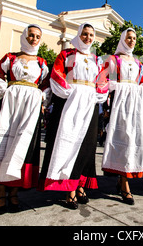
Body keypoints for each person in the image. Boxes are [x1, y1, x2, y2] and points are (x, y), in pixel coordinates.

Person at [0, 24, 49, 214]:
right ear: (24, 36)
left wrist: (41, 97)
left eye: (37, 36)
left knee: (23, 144)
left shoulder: (42, 62)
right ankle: (0, 192)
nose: (34, 39)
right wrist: (1, 90)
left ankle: (14, 192)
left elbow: (47, 85)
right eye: (31, 35)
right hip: (11, 101)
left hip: (31, 105)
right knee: (2, 143)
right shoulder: (10, 57)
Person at [38, 23, 107, 210]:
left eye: (91, 35)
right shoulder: (66, 54)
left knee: (87, 144)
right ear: (79, 34)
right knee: (67, 142)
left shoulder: (97, 59)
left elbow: (103, 80)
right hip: (69, 101)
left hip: (90, 103)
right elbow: (57, 75)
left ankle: (79, 184)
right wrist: (72, 92)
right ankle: (69, 189)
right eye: (84, 34)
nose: (88, 38)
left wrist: (98, 92)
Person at [98, 28, 143, 205]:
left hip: (137, 104)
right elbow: (102, 81)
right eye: (129, 38)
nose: (132, 41)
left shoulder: (139, 63)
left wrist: (140, 89)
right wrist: (118, 87)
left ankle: (122, 179)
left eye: (134, 38)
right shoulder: (113, 59)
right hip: (121, 102)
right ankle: (125, 184)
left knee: (134, 139)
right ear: (122, 39)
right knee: (124, 138)